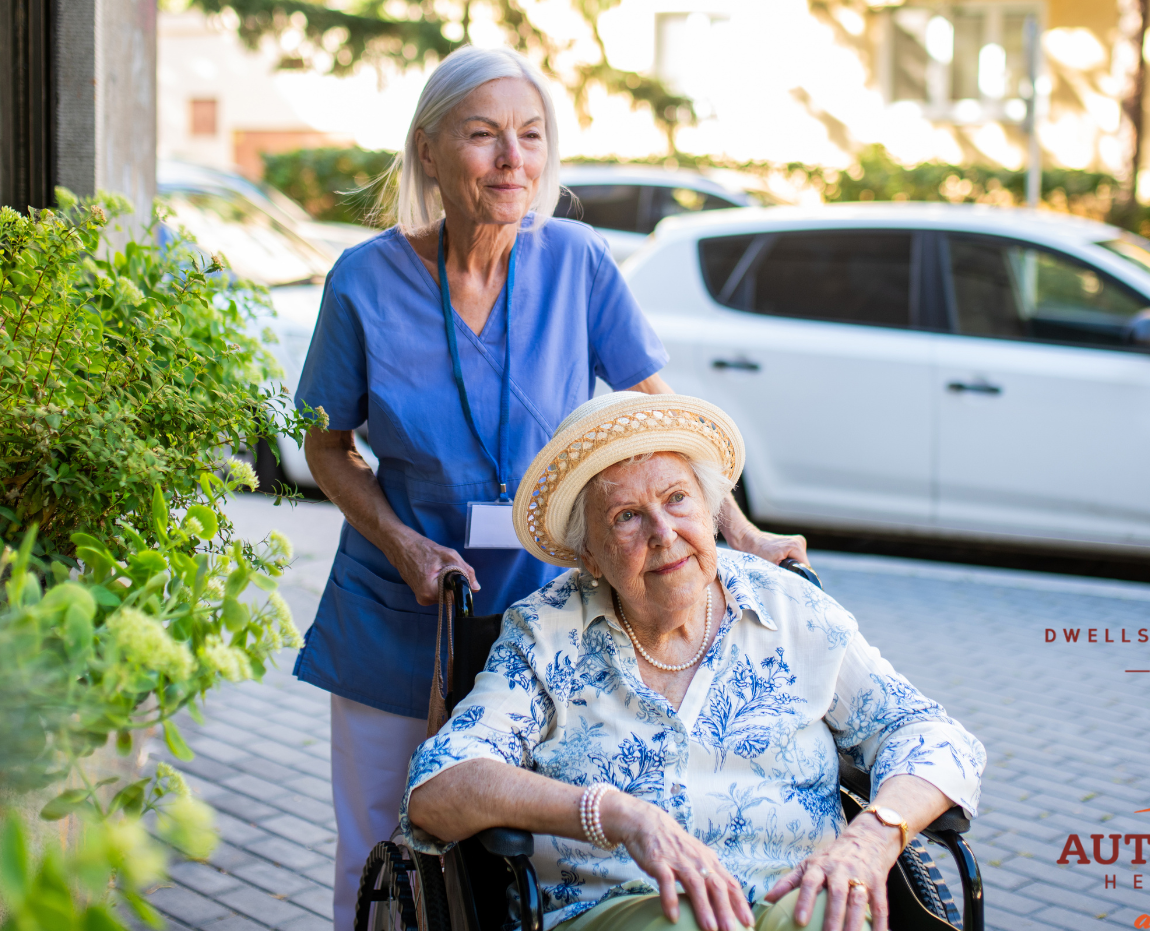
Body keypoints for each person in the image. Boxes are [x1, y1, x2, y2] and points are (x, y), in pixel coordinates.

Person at [291, 46, 807, 931]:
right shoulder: (364, 281)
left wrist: (744, 532)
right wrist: (404, 542)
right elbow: (327, 448)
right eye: (484, 136)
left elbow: (663, 418)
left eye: (529, 137)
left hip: (546, 618)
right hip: (399, 609)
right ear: (428, 151)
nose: (512, 161)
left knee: (525, 854)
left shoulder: (576, 260)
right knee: (379, 851)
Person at [403, 391, 985, 931]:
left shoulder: (790, 609)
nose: (664, 532)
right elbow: (440, 788)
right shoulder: (547, 634)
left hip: (800, 900)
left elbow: (931, 735)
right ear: (591, 558)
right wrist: (618, 814)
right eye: (626, 516)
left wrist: (874, 838)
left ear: (709, 510)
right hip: (630, 909)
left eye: (677, 499)